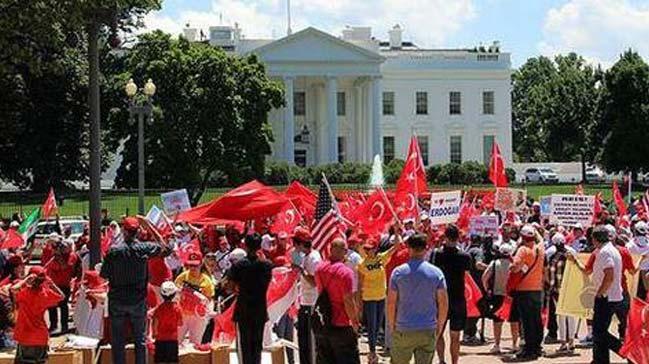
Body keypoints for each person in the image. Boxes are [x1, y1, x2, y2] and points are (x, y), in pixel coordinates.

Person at [100, 217, 169, 364]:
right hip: (138, 300)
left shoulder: (114, 251)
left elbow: (103, 274)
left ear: (124, 231)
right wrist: (149, 225)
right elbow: (165, 248)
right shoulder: (144, 248)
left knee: (118, 339)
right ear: (138, 232)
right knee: (140, 339)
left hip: (117, 299)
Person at [387, 233, 448, 364]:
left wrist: (392, 326)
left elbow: (391, 303)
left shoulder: (398, 273)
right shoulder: (436, 273)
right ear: (426, 248)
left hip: (403, 328)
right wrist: (440, 326)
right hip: (427, 328)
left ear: (408, 248)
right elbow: (443, 303)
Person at [570, 226, 625, 364]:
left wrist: (600, 293)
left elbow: (609, 275)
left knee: (599, 331)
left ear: (595, 239)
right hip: (611, 296)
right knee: (599, 331)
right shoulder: (608, 250)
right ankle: (600, 360)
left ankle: (625, 351)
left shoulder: (605, 252)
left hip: (606, 297)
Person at [227, 234, 273, 364]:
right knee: (257, 345)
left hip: (243, 309)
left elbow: (229, 287)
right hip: (260, 309)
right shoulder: (267, 265)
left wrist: (238, 288)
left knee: (244, 346)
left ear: (245, 246)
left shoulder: (239, 265)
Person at [314, 238, 360, 364]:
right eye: (345, 250)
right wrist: (355, 322)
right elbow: (348, 301)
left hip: (324, 323)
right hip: (342, 324)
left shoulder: (319, 268)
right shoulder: (346, 273)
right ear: (343, 251)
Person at [357, 233, 400, 364]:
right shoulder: (362, 263)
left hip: (381, 296)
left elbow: (396, 246)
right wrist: (359, 302)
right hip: (369, 298)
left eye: (370, 248)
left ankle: (373, 351)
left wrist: (397, 232)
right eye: (366, 249)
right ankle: (372, 352)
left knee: (378, 326)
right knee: (371, 325)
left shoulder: (382, 258)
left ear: (375, 249)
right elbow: (360, 284)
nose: (368, 251)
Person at [432, 224, 471, 364]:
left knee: (438, 333)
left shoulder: (437, 254)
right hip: (458, 300)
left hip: (441, 298)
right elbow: (467, 277)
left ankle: (441, 360)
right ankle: (455, 362)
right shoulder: (465, 256)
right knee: (455, 335)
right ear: (458, 237)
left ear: (445, 237)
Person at [506, 224, 545, 362]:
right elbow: (541, 239)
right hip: (537, 289)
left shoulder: (523, 250)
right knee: (536, 319)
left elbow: (515, 268)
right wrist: (536, 230)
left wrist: (511, 266)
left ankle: (529, 350)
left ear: (522, 237)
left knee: (527, 321)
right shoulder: (540, 249)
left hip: (524, 290)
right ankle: (537, 347)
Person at [11, 266, 64, 364]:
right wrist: (51, 283)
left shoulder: (25, 293)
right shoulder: (46, 294)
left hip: (25, 336)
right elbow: (62, 296)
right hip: (41, 337)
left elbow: (13, 289)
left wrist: (25, 279)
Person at [292, 228, 321, 364]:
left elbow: (315, 282)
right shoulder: (307, 257)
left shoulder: (314, 258)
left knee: (309, 342)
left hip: (311, 304)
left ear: (300, 244)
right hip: (305, 302)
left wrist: (301, 270)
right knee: (303, 340)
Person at [545, 232, 577, 354]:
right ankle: (571, 342)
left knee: (561, 317)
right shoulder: (572, 254)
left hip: (557, 291)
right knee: (571, 316)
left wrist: (550, 287)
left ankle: (564, 342)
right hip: (569, 289)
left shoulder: (552, 256)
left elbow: (549, 274)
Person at [482, 242, 516, 354]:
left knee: (497, 321)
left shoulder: (494, 263)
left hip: (497, 295)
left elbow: (484, 278)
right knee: (514, 320)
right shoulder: (514, 264)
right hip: (511, 295)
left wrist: (487, 290)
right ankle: (515, 344)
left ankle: (497, 344)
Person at [175, 251, 214, 345]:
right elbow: (175, 293)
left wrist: (206, 313)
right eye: (190, 265)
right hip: (183, 315)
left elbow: (210, 299)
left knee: (195, 343)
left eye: (195, 266)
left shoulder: (206, 280)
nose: (192, 268)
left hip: (197, 317)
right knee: (176, 341)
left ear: (201, 264)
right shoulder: (182, 276)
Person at [44, 238, 81, 334]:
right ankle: (53, 326)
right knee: (51, 305)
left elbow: (65, 267)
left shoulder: (72, 256)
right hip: (53, 284)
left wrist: (59, 256)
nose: (62, 248)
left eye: (64, 246)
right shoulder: (55, 255)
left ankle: (64, 326)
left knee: (63, 306)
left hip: (64, 284)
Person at [151, 281, 183, 364]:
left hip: (160, 339)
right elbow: (180, 323)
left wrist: (154, 333)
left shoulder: (159, 309)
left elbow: (155, 322)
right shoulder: (177, 308)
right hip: (172, 340)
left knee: (160, 360)